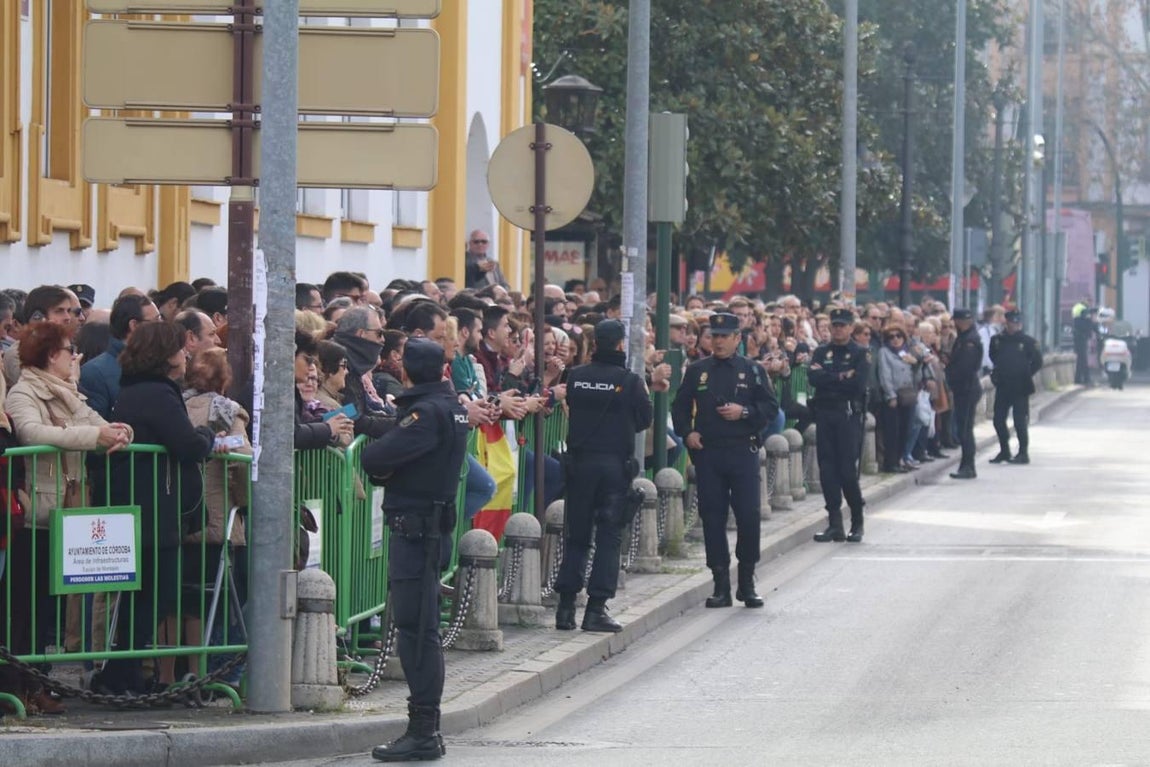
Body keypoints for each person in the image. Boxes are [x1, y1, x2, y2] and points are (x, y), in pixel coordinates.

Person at [6, 322, 133, 713]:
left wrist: (120, 431)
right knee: (25, 609)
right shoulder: (24, 391)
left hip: (66, 513)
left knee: (46, 608)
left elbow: (97, 422)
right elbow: (30, 432)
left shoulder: (67, 393)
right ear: (50, 355)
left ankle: (36, 684)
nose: (74, 356)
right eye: (68, 350)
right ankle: (22, 685)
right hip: (36, 513)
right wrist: (94, 438)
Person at [360, 338, 469, 762]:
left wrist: (387, 463)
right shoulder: (450, 406)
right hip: (430, 529)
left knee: (416, 631)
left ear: (406, 370)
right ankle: (427, 729)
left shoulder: (426, 414)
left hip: (417, 533)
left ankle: (423, 730)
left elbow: (376, 459)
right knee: (421, 628)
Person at [672, 313, 777, 609]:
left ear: (736, 339)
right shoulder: (697, 371)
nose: (717, 341)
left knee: (748, 515)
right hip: (709, 453)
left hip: (743, 450)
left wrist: (743, 412)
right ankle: (720, 583)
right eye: (714, 335)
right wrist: (687, 433)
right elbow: (679, 408)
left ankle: (747, 581)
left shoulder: (753, 370)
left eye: (724, 336)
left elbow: (770, 406)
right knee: (713, 517)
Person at [554, 320, 654, 633]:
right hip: (613, 467)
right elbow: (644, 420)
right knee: (609, 535)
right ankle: (596, 609)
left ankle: (565, 609)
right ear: (621, 344)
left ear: (595, 342)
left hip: (580, 465)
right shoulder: (630, 380)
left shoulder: (577, 376)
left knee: (577, 536)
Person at [808, 309, 870, 543]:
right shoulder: (822, 351)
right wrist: (841, 377)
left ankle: (857, 519)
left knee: (846, 471)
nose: (838, 329)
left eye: (843, 325)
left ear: (851, 327)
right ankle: (835, 523)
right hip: (825, 413)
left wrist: (829, 377)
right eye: (835, 325)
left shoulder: (860, 353)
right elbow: (813, 378)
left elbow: (857, 385)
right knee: (827, 470)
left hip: (847, 415)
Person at [988, 310, 1043, 465]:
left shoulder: (1028, 342)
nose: (1016, 325)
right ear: (1007, 323)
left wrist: (1026, 373)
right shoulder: (997, 340)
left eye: (1018, 323)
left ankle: (1023, 453)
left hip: (1021, 386)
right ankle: (1004, 450)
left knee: (1020, 420)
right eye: (1013, 323)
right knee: (998, 419)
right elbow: (993, 356)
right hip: (1003, 385)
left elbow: (1038, 362)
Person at [945, 308, 983, 480]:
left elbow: (966, 368)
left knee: (965, 430)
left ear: (961, 321)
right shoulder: (965, 337)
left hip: (966, 389)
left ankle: (968, 466)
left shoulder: (970, 340)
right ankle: (966, 465)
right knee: (964, 429)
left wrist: (951, 374)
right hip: (964, 389)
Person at [1072, 305, 1096, 386]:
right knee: (1082, 360)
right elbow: (1091, 329)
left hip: (1079, 342)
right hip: (1081, 342)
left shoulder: (1077, 320)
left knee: (1081, 360)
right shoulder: (1085, 321)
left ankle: (1080, 379)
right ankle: (1084, 378)